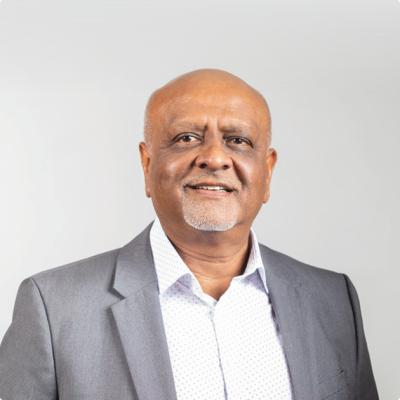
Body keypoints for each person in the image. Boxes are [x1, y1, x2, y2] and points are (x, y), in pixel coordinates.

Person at [0, 69, 378, 400]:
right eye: (186, 138)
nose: (214, 157)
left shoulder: (333, 301)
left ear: (267, 171)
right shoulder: (54, 309)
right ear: (147, 164)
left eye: (238, 140)